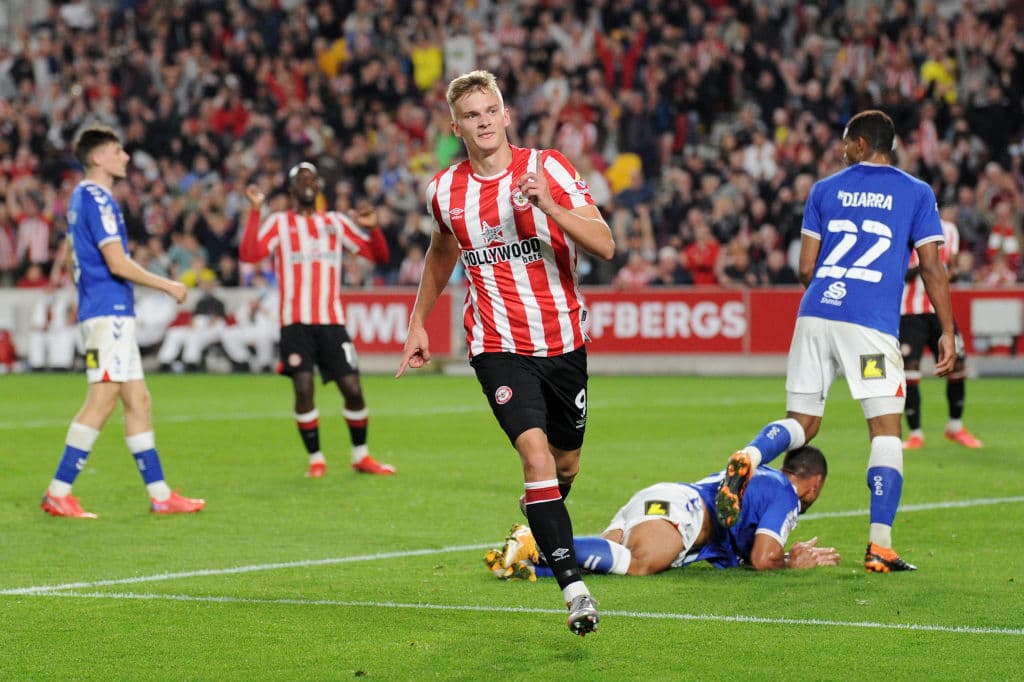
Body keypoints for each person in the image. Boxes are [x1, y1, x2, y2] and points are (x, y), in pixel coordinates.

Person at [395, 70, 616, 636]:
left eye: (490, 110)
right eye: (472, 115)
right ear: (457, 127)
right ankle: (575, 593)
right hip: (495, 345)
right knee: (536, 458)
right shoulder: (444, 190)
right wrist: (419, 321)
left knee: (565, 464)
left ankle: (535, 519)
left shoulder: (550, 169)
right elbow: (442, 249)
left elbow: (606, 244)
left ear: (506, 115)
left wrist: (549, 207)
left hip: (563, 341)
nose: (484, 121)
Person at [712, 110, 956, 573]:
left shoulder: (824, 190)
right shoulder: (916, 192)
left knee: (804, 420)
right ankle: (880, 545)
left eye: (847, 143)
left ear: (863, 144)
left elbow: (806, 269)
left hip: (815, 312)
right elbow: (931, 268)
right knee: (885, 430)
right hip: (869, 323)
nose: (842, 151)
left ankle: (751, 454)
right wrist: (947, 330)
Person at [41, 126, 205, 518]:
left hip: (107, 310)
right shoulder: (97, 198)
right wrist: (166, 285)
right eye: (118, 151)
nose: (126, 157)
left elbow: (70, 253)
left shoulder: (80, 198)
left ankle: (161, 495)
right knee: (102, 400)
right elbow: (115, 261)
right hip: (107, 313)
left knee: (139, 400)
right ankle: (58, 492)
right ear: (98, 158)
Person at [239, 162, 395, 477]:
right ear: (292, 187)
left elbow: (378, 257)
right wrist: (256, 212)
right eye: (301, 178)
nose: (308, 183)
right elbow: (250, 254)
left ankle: (361, 456)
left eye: (312, 178)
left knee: (352, 388)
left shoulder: (335, 222)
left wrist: (374, 228)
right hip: (294, 322)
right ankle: (316, 459)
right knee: (303, 386)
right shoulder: (278, 222)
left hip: (331, 322)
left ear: (319, 186)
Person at [485, 446, 838, 579]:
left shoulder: (763, 479)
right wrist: (791, 561)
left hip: (661, 500)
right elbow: (764, 557)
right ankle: (535, 543)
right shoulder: (787, 494)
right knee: (640, 564)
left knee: (611, 565)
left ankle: (527, 565)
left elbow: (748, 552)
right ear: (815, 483)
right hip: (683, 512)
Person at [900, 207, 981, 450]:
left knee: (957, 364)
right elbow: (901, 273)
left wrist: (949, 272)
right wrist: (929, 265)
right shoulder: (905, 230)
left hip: (940, 312)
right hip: (909, 312)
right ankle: (915, 433)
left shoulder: (950, 231)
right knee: (910, 369)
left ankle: (955, 426)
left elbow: (953, 268)